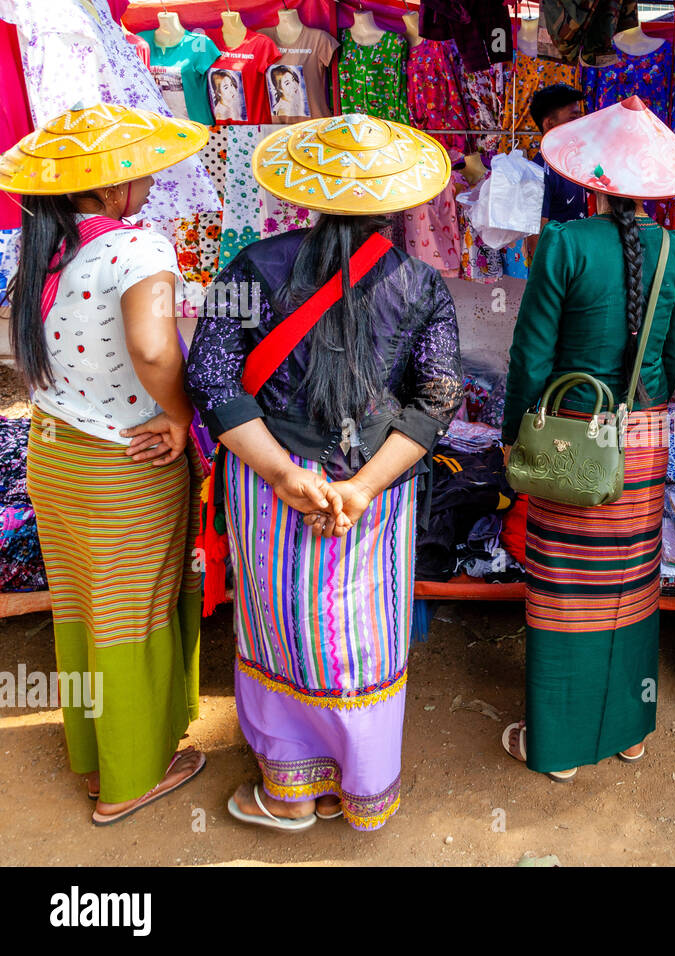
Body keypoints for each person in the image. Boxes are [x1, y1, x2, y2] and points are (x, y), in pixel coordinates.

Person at [186, 114, 463, 830]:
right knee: (360, 633)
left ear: (308, 194)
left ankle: (288, 792)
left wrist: (282, 475)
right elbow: (436, 400)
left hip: (271, 481)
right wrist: (361, 487)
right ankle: (361, 789)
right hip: (374, 482)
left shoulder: (253, 265)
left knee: (281, 628)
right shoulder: (423, 284)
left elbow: (212, 380)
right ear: (397, 203)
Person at [0, 103, 210, 825]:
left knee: (86, 615)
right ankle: (129, 781)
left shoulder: (43, 250)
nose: (149, 177)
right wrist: (183, 418)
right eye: (138, 167)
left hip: (54, 456)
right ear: (110, 182)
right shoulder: (138, 247)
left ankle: (94, 764)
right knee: (133, 615)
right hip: (124, 460)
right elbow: (154, 350)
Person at [500, 97, 675, 780]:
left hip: (571, 439)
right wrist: (644, 409)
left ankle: (560, 745)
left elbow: (531, 357)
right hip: (642, 437)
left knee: (564, 589)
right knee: (632, 584)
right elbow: (669, 361)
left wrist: (511, 438)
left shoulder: (562, 243)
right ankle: (628, 730)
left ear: (592, 179)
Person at [530, 83, 588, 233]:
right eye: (573, 118)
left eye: (580, 118)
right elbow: (537, 235)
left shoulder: (573, 163)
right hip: (558, 255)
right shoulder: (538, 172)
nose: (580, 125)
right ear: (549, 124)